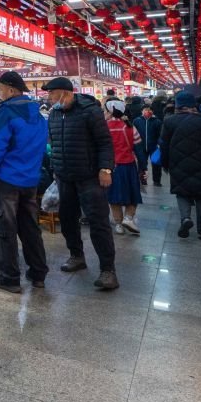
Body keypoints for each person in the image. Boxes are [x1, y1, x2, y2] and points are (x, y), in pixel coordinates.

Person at [43, 77, 119, 290]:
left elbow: (105, 142)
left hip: (90, 177)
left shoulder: (89, 111)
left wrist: (105, 169)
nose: (49, 98)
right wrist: (55, 169)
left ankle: (108, 270)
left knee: (98, 222)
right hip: (64, 177)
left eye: (52, 94)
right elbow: (54, 143)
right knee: (68, 219)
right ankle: (76, 255)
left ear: (65, 93)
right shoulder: (54, 114)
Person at [0, 71, 49, 293]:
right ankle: (38, 273)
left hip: (6, 180)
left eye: (0, 89)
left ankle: (9, 277)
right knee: (30, 227)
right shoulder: (37, 114)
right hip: (30, 180)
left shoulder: (6, 112)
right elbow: (41, 146)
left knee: (5, 228)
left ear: (10, 89)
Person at [161, 92, 201, 240]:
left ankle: (186, 218)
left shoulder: (169, 121)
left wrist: (165, 163)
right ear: (194, 105)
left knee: (182, 193)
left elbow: (163, 145)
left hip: (177, 163)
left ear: (178, 105)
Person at [105, 101, 143, 236]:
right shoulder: (129, 126)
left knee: (114, 197)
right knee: (132, 194)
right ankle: (128, 218)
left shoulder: (104, 127)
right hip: (128, 165)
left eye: (105, 111)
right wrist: (143, 167)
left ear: (110, 112)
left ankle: (118, 224)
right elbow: (138, 147)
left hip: (110, 167)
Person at [133, 106, 163, 187]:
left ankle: (157, 181)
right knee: (142, 163)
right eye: (145, 109)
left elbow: (161, 134)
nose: (147, 111)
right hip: (141, 146)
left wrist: (159, 143)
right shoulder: (137, 121)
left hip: (154, 146)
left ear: (152, 111)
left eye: (149, 110)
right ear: (142, 111)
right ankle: (143, 180)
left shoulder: (157, 121)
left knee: (156, 163)